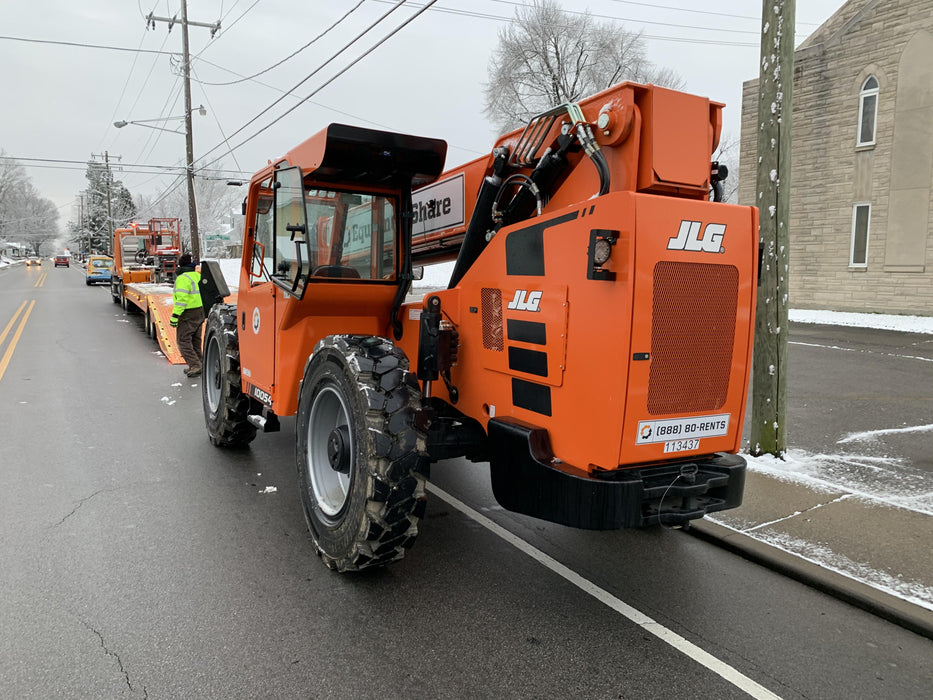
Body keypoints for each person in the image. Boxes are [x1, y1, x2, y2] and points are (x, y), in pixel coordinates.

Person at [170, 253, 204, 377]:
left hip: (188, 313)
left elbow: (182, 299)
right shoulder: (197, 275)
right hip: (200, 311)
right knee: (195, 340)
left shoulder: (183, 279)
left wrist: (175, 315)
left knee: (183, 341)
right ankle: (200, 363)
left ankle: (195, 365)